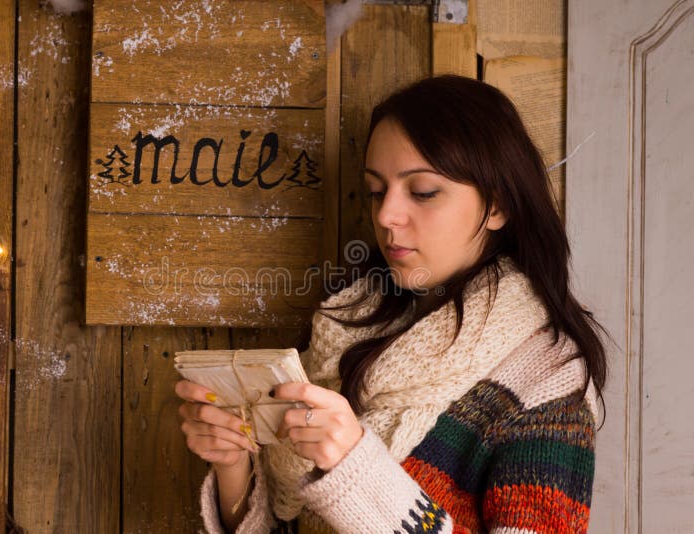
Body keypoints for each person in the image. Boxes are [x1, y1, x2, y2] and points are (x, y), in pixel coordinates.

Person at [175, 74, 607, 534]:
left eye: (422, 192)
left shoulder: (548, 383)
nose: (385, 215)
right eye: (377, 191)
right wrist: (233, 466)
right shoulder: (346, 327)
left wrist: (357, 471)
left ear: (497, 205)